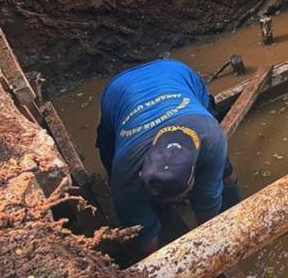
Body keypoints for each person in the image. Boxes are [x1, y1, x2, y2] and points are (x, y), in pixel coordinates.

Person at [96, 59, 241, 256]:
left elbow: (207, 201)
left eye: (182, 196)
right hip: (118, 91)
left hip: (176, 73)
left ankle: (237, 207)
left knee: (222, 169)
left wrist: (211, 249)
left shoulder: (211, 137)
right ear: (141, 173)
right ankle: (158, 210)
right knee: (109, 158)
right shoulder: (124, 177)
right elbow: (142, 234)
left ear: (193, 173)